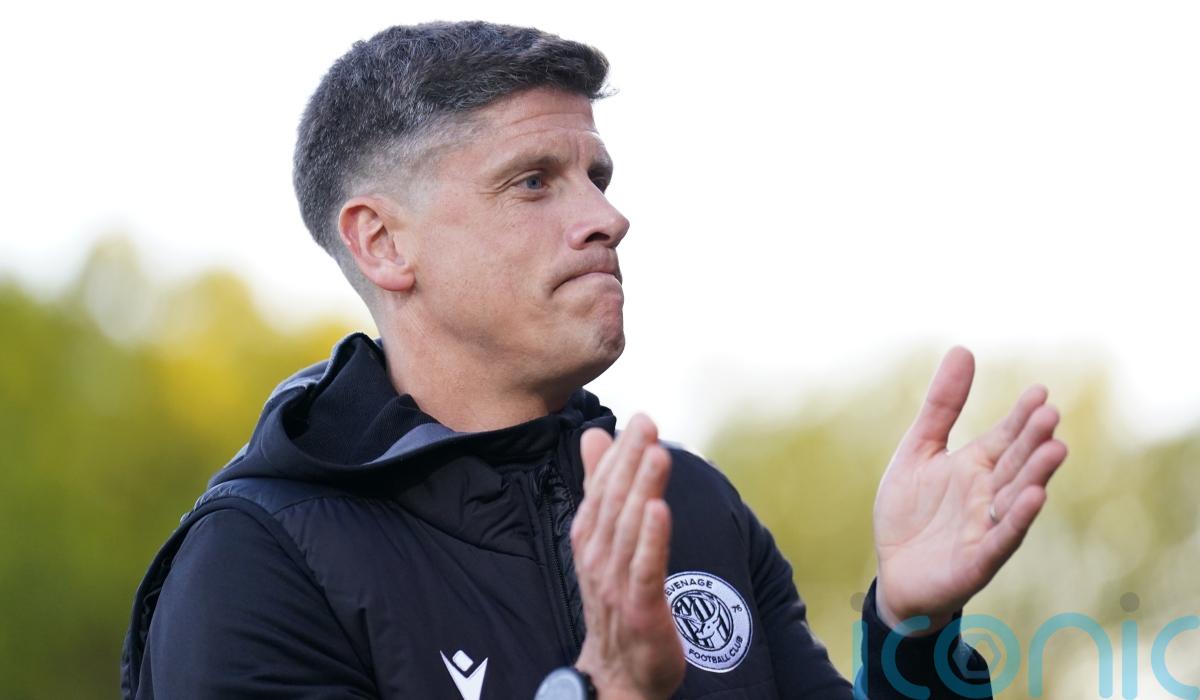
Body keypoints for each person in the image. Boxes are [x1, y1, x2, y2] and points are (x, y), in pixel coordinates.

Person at [120, 21, 1068, 699]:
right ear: (383, 244)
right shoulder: (254, 562)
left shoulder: (690, 506)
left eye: (598, 178)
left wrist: (910, 632)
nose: (609, 218)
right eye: (534, 181)